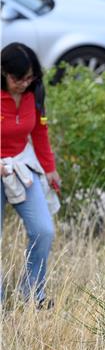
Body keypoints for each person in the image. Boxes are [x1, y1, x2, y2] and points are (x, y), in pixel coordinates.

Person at [1, 43, 60, 308]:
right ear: (3, 72)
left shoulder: (34, 92)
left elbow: (39, 132)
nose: (24, 84)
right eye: (18, 79)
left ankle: (33, 293)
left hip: (22, 165)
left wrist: (49, 169)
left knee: (43, 230)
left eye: (29, 78)